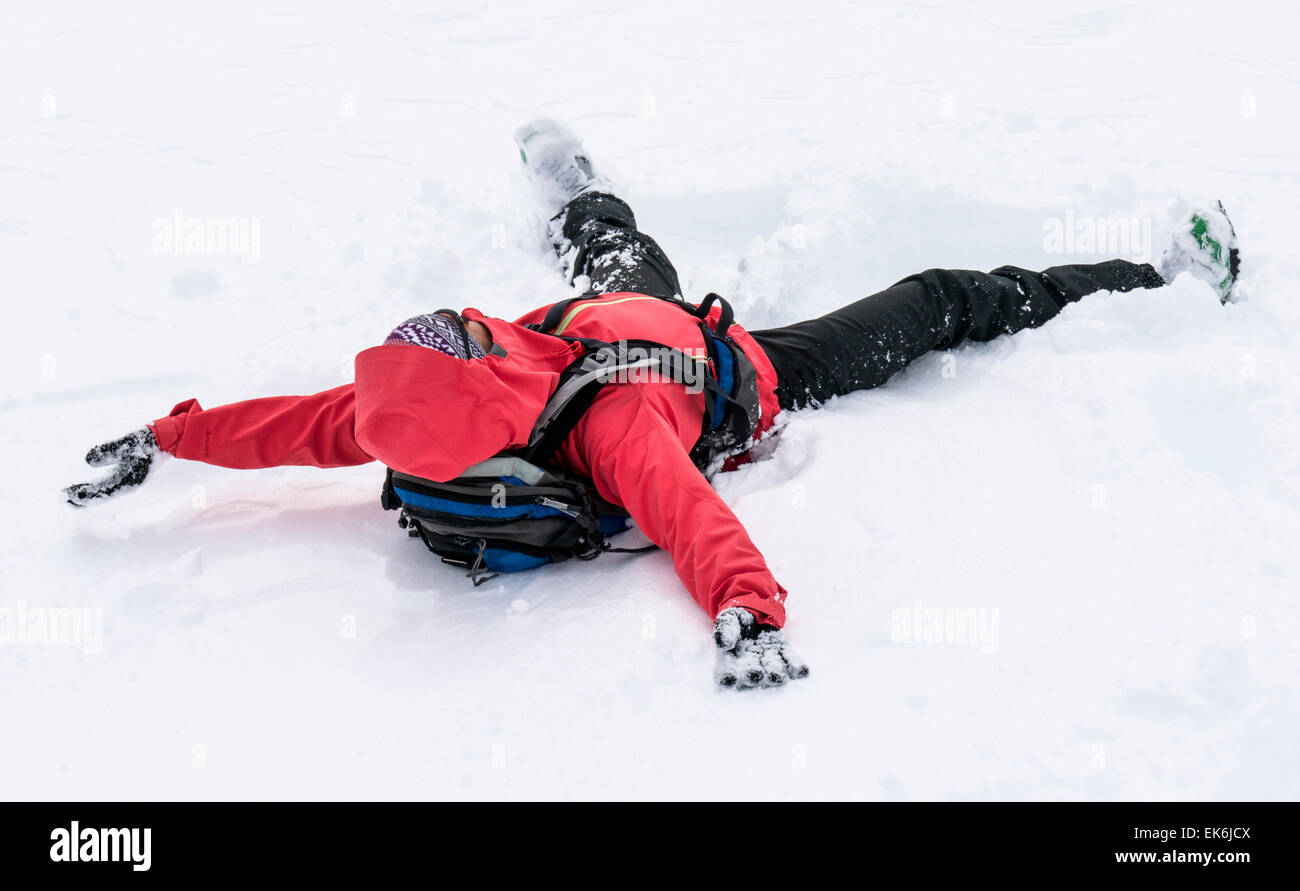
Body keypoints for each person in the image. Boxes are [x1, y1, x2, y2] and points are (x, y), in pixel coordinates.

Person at [63, 120, 1242, 689]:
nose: (471, 320)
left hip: (615, 325)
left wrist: (165, 438)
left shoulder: (401, 407)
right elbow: (691, 518)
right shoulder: (616, 432)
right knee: (936, 296)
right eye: (464, 334)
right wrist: (751, 613)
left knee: (616, 250)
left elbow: (279, 425)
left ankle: (579, 199)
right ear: (473, 379)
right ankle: (1157, 280)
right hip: (745, 368)